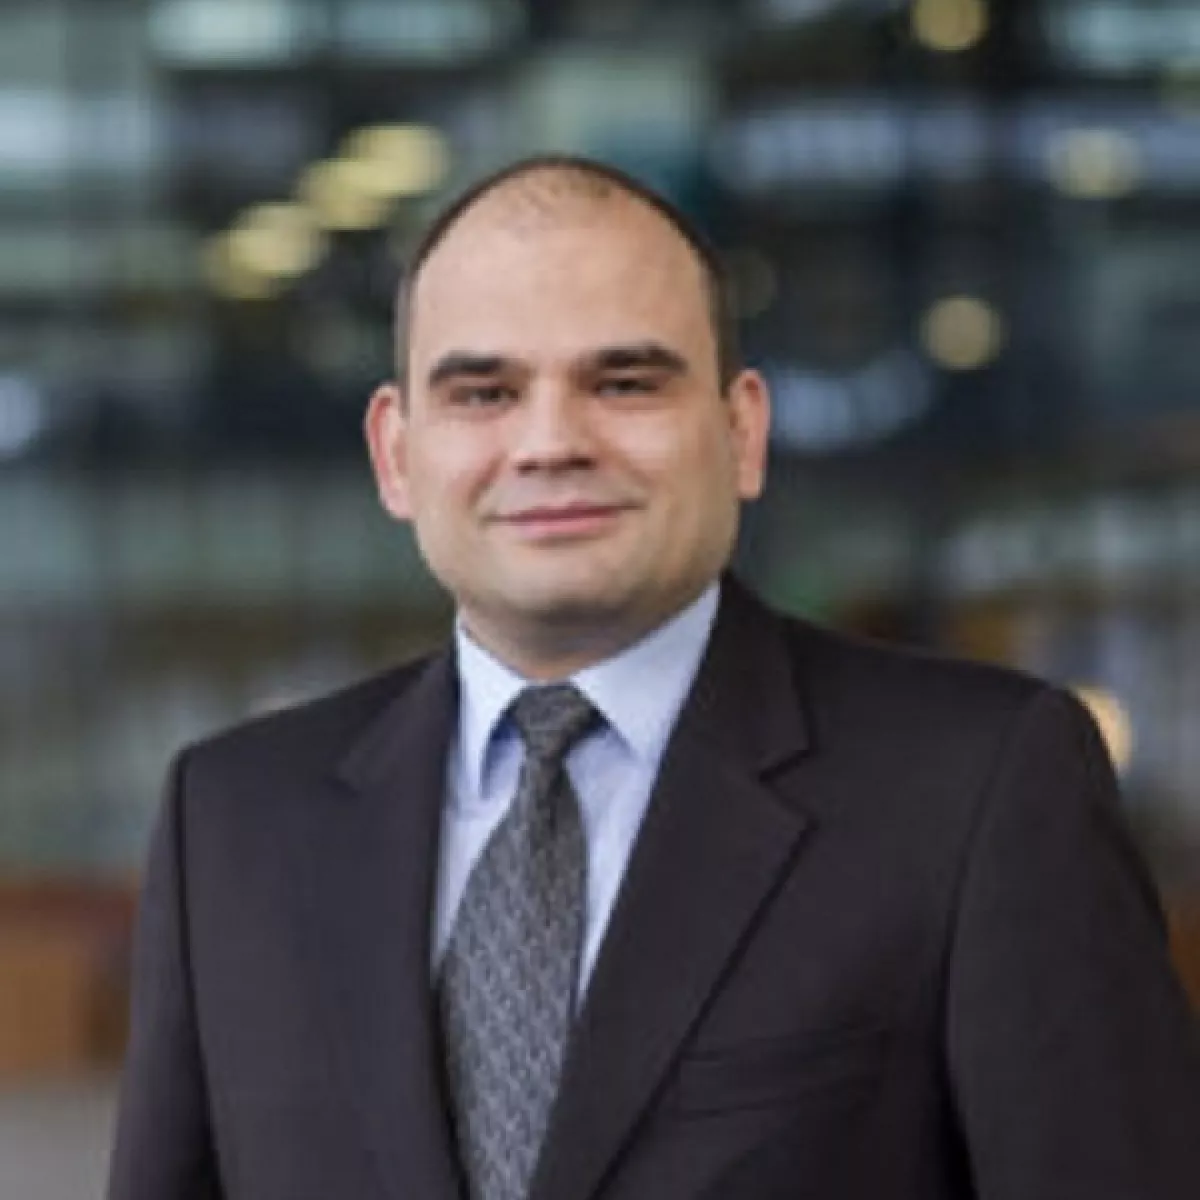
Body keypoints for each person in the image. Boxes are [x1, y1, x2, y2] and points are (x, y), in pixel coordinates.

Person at [107, 156, 1200, 1200]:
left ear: (742, 431)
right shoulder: (233, 823)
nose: (550, 442)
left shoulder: (979, 790)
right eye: (484, 393)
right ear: (396, 454)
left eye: (624, 382)